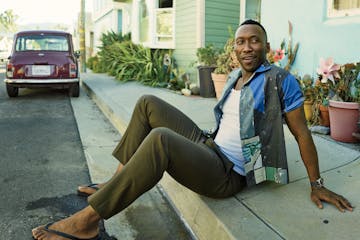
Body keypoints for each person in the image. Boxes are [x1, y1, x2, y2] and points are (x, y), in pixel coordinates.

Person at [32, 19, 353, 240]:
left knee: (161, 140)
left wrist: (317, 183)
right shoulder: (234, 77)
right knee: (147, 103)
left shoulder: (281, 80)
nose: (247, 47)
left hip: (228, 173)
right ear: (234, 50)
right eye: (241, 42)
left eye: (255, 40)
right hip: (209, 146)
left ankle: (89, 221)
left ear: (266, 45)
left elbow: (301, 133)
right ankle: (115, 182)